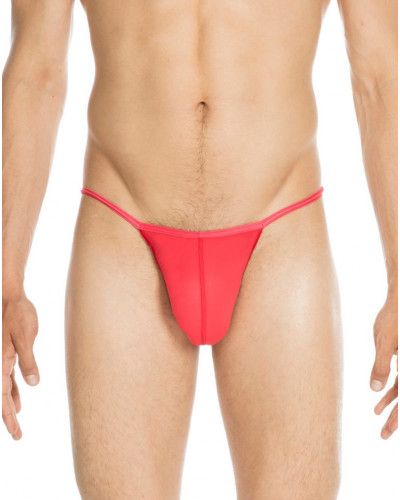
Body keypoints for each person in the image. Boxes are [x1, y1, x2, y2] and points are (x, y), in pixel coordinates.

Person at [2, 0, 397, 498]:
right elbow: (36, 69)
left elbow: (380, 75)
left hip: (280, 225)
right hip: (124, 222)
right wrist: (7, 282)